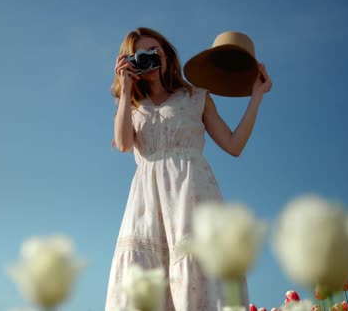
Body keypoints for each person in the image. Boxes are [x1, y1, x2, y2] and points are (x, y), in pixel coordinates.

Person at [105, 27, 272, 311]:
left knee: (200, 269)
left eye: (154, 52)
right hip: (147, 203)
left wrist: (256, 97)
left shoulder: (196, 97)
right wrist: (125, 90)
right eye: (140, 56)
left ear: (167, 54)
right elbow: (122, 144)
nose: (150, 60)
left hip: (192, 192)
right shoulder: (133, 107)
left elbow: (233, 145)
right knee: (145, 276)